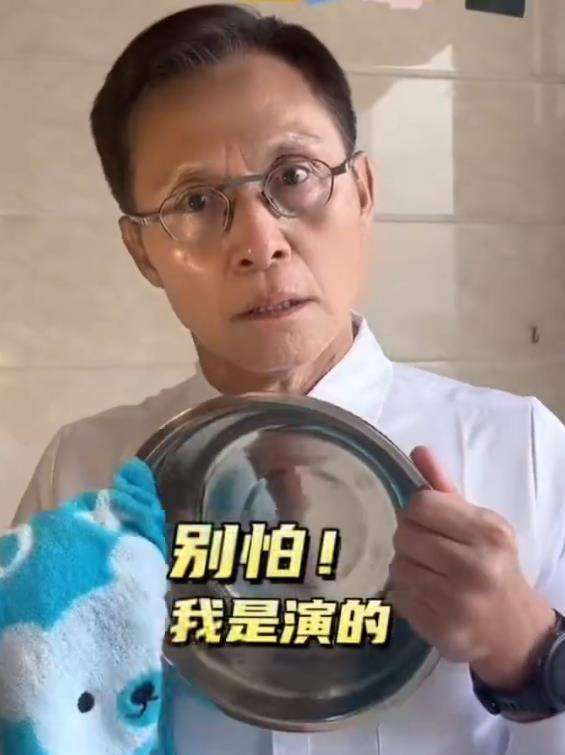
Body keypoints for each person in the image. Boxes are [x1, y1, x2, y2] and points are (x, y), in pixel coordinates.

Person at [12, 5, 565, 754]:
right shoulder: (84, 474)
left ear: (362, 190)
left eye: (294, 176)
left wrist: (529, 648)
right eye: (195, 202)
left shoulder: (521, 448)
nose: (259, 240)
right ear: (143, 252)